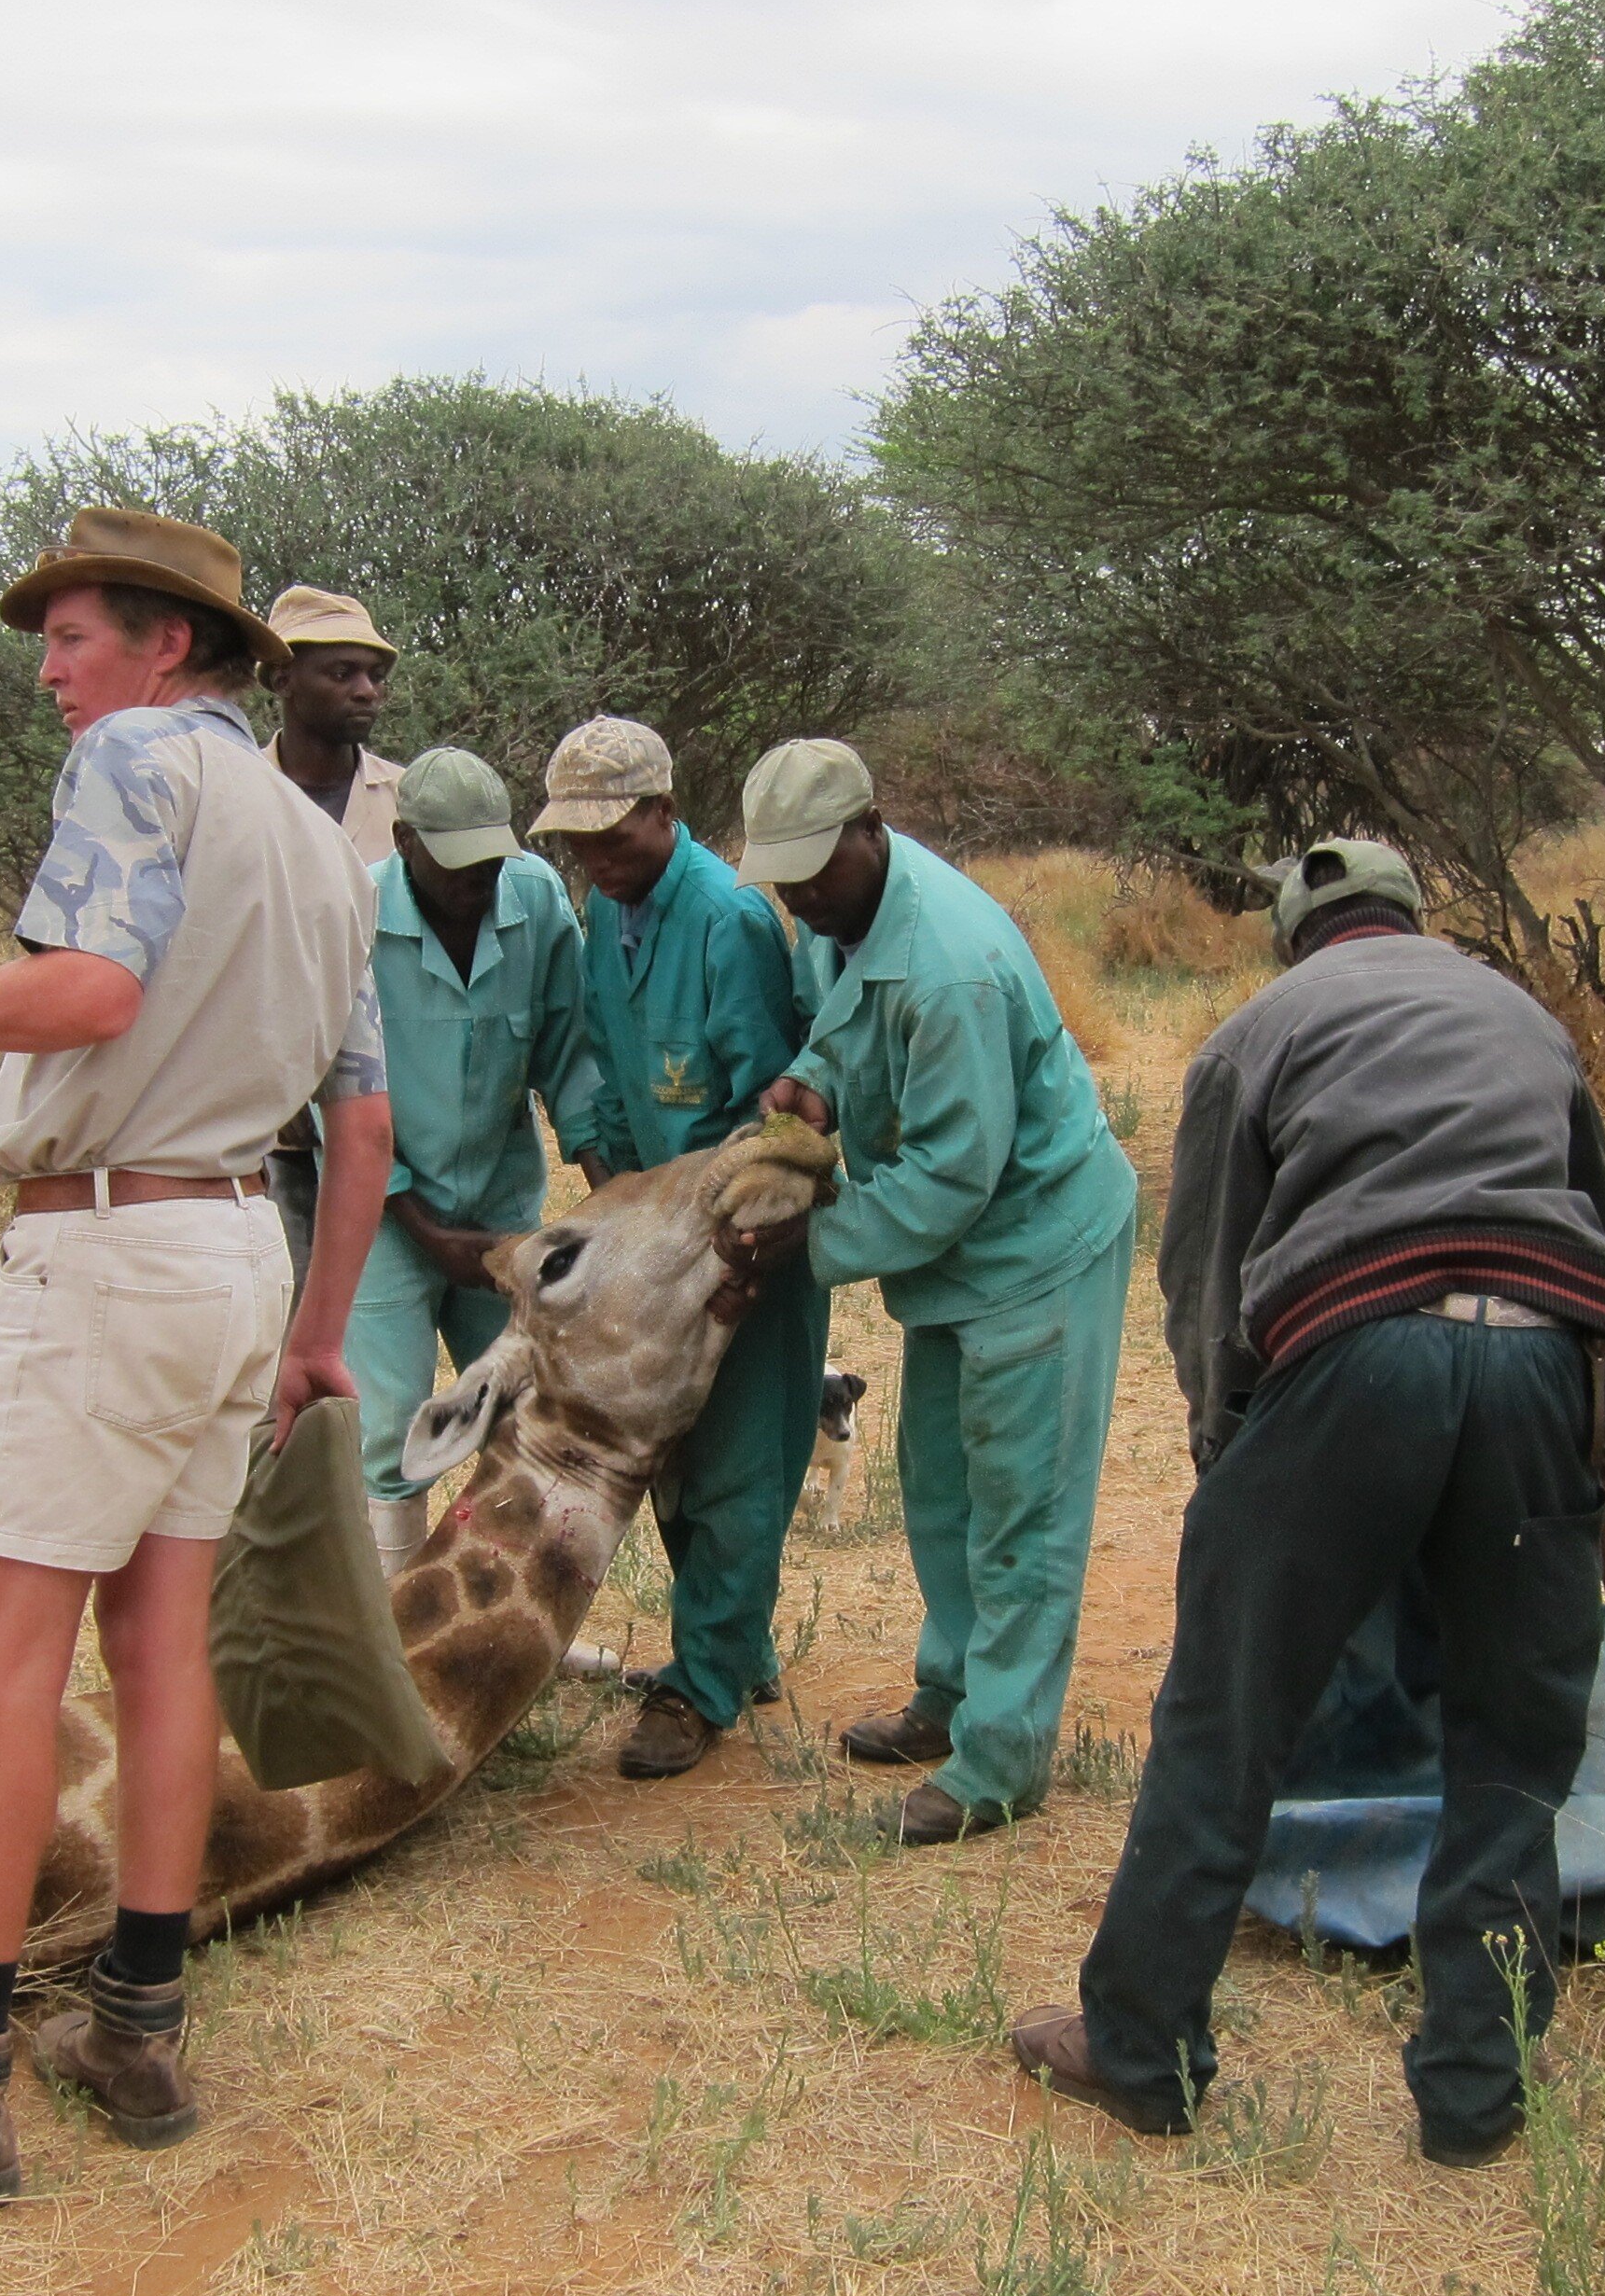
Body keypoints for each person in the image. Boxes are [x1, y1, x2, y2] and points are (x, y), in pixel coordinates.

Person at [0, 508, 391, 2201]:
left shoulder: (134, 765)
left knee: (1, 1661)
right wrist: (314, 1331)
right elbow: (364, 1109)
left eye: (73, 638)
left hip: (110, 1249)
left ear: (167, 645)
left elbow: (92, 993)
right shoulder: (318, 836)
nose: (50, 673)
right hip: (237, 1252)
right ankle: (137, 2026)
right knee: (162, 1645)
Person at [1009, 839, 1605, 2169]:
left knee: (1225, 1718)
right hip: (1548, 1359)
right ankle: (1477, 2095)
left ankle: (1139, 2052)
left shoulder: (1258, 1032)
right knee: (1512, 1747)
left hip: (1359, 1353)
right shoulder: (1527, 1018)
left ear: (1298, 938)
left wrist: (1227, 1452)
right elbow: (1599, 1227)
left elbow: (1211, 1276)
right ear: (1418, 919)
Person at [736, 740, 1137, 1847]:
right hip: (963, 1256)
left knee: (1023, 1503)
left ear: (875, 827)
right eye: (786, 878)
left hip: (1035, 1244)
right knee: (943, 1481)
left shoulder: (948, 963)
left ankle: (1000, 1760)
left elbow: (954, 1175)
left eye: (820, 867)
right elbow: (841, 1032)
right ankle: (953, 1691)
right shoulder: (846, 922)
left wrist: (801, 1246)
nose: (804, 895)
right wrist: (809, 1087)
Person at [533, 716, 826, 1778]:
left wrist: (730, 1239)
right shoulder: (599, 921)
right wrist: (613, 1185)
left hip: (742, 1243)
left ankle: (699, 1686)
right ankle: (734, 1648)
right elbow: (602, 1073)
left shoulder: (727, 919)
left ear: (666, 809)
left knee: (742, 1460)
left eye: (614, 835)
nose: (597, 859)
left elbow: (769, 1104)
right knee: (676, 1460)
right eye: (579, 843)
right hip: (656, 1240)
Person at [345, 745, 613, 1568]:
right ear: (403, 840)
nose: (478, 880)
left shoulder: (533, 900)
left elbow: (569, 1051)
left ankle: (502, 1612)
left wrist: (611, 1195)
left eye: (490, 859)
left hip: (499, 1203)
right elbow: (336, 1089)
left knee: (521, 1405)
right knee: (389, 1414)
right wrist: (421, 1226)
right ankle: (392, 1625)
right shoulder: (354, 915)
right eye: (455, 863)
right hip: (384, 1209)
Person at [257, 585, 405, 1291]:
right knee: (279, 1338)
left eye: (375, 674)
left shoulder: (410, 805)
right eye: (341, 672)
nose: (366, 690)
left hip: (389, 1125)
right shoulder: (230, 797)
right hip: (271, 1133)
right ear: (281, 677)